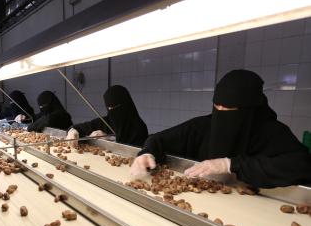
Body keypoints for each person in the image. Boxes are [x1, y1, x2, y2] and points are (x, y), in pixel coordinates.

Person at [130, 69, 311, 188]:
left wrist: (230, 164)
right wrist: (147, 153)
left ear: (250, 110)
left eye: (230, 110)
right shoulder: (204, 126)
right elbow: (159, 139)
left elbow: (302, 165)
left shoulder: (272, 133)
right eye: (217, 107)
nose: (221, 113)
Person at [66, 85, 148, 147]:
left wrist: (109, 141)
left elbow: (135, 153)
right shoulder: (106, 121)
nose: (113, 111)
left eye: (116, 107)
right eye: (109, 108)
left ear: (127, 105)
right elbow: (78, 127)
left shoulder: (139, 128)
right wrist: (73, 131)